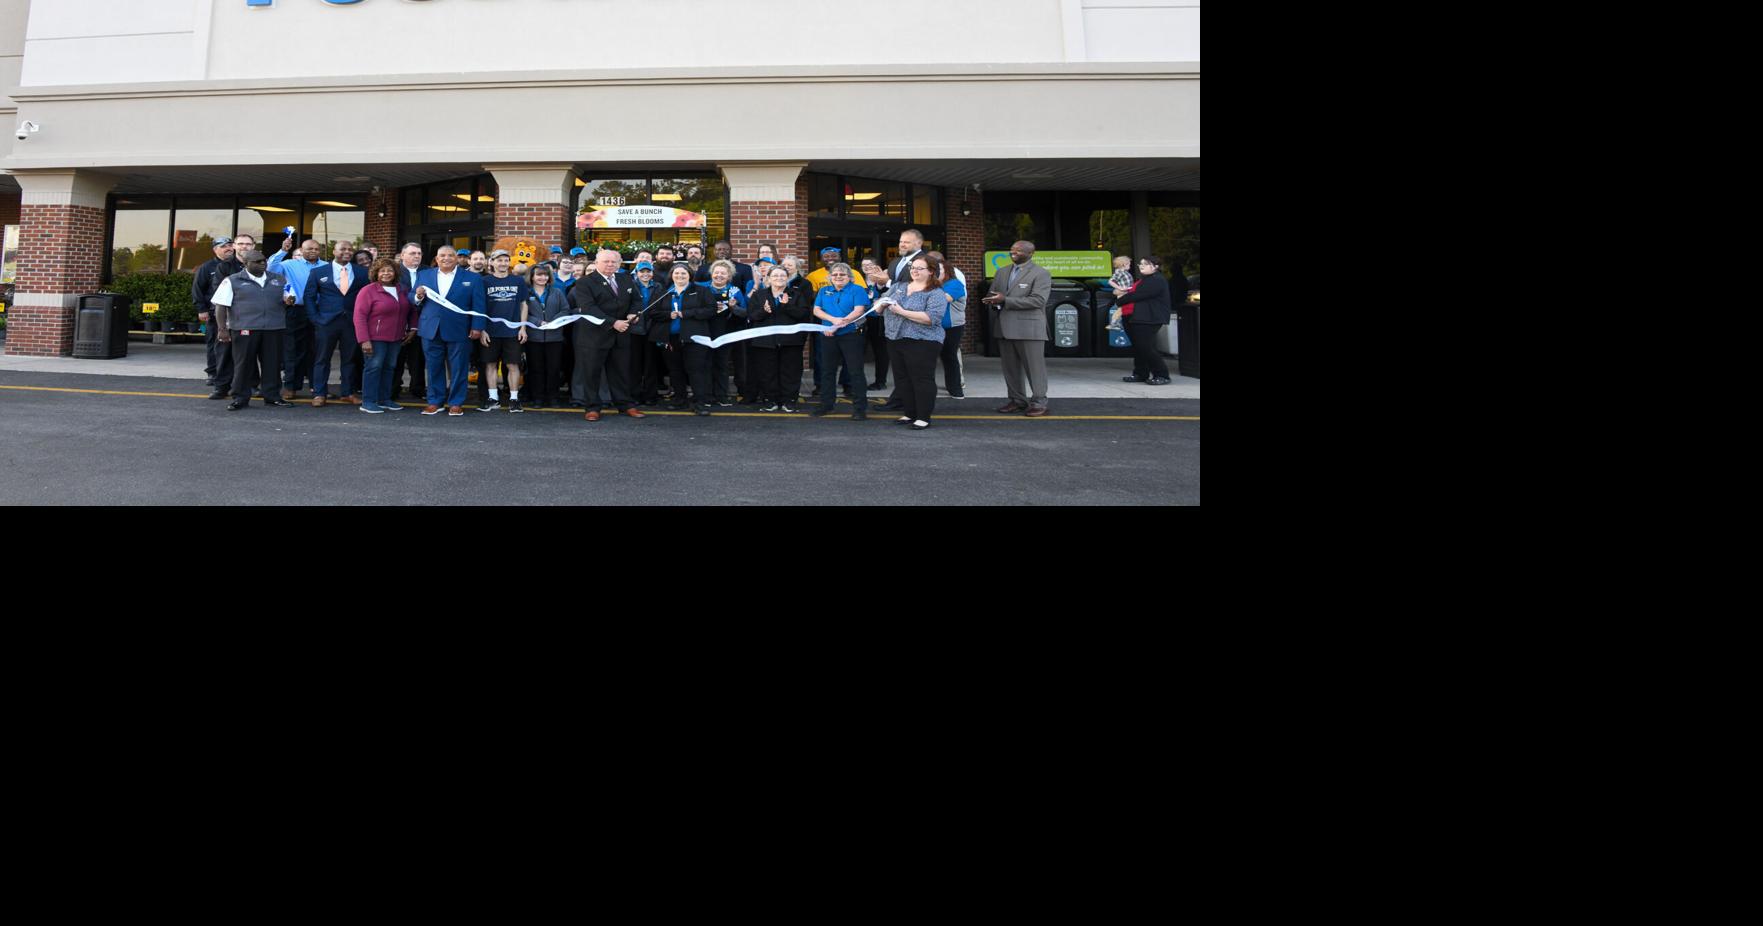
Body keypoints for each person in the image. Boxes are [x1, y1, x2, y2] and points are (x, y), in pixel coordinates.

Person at [212, 249, 297, 411]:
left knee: (272, 364)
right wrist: (222, 329)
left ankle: (272, 396)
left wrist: (290, 300)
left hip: (273, 328)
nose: (263, 263)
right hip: (244, 329)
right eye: (257, 261)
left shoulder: (279, 279)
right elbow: (220, 306)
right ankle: (240, 398)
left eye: (264, 260)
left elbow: (289, 296)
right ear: (246, 264)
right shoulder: (232, 280)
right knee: (243, 364)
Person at [570, 248, 645, 421]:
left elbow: (636, 300)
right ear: (596, 263)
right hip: (594, 336)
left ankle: (625, 405)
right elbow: (589, 308)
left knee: (621, 372)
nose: (610, 264)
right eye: (606, 261)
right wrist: (614, 322)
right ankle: (592, 407)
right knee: (592, 372)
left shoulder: (625, 279)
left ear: (619, 264)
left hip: (622, 335)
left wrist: (632, 314)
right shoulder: (584, 282)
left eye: (614, 262)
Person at [411, 245, 486, 416]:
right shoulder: (424, 275)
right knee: (433, 367)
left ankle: (456, 402)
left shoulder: (472, 278)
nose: (446, 258)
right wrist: (418, 295)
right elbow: (411, 296)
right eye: (442, 256)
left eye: (450, 255)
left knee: (459, 367)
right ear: (436, 259)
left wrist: (477, 326)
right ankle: (435, 401)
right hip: (431, 329)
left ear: (458, 258)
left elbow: (479, 304)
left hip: (460, 329)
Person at [981, 239, 1052, 416]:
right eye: (1012, 249)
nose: (1014, 252)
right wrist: (992, 301)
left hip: (1030, 329)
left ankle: (1039, 402)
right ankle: (1017, 400)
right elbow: (993, 293)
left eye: (1019, 250)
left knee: (1034, 368)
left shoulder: (1040, 273)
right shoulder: (1002, 271)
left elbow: (1038, 300)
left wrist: (1005, 300)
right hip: (1004, 327)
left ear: (1030, 253)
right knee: (1010, 368)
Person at [878, 254, 947, 430]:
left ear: (931, 271)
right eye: (912, 268)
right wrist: (880, 305)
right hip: (895, 338)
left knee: (921, 379)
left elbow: (931, 318)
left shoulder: (936, 293)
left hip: (923, 340)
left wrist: (901, 311)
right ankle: (909, 412)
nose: (914, 271)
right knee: (902, 378)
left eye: (919, 268)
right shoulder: (899, 286)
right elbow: (880, 303)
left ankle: (923, 417)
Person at [640, 262, 716, 415]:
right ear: (671, 276)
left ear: (689, 275)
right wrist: (669, 315)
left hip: (694, 338)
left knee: (696, 371)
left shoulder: (701, 290)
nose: (680, 276)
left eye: (683, 273)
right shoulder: (664, 292)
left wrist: (685, 314)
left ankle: (700, 403)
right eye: (676, 273)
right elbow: (651, 312)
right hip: (670, 339)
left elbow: (711, 310)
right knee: (675, 371)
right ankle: (679, 400)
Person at [303, 239, 366, 406]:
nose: (347, 251)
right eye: (342, 249)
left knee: (349, 359)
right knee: (322, 359)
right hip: (326, 322)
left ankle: (347, 392)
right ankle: (319, 393)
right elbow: (309, 296)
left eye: (350, 249)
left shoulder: (361, 272)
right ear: (334, 252)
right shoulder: (319, 272)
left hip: (351, 322)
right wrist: (315, 318)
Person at [864, 229, 927, 395]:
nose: (902, 244)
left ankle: (912, 403)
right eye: (900, 241)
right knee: (899, 366)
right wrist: (878, 281)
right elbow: (888, 287)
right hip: (892, 320)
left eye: (906, 241)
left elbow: (920, 285)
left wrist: (888, 280)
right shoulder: (895, 262)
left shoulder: (925, 261)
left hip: (912, 320)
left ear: (919, 243)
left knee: (912, 366)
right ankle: (899, 399)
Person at [354, 257, 416, 413]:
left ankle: (384, 399)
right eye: (382, 271)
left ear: (395, 273)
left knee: (389, 368)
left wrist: (413, 329)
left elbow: (411, 310)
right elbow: (359, 316)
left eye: (390, 270)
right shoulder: (368, 291)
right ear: (376, 273)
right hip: (375, 338)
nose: (386, 273)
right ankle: (368, 401)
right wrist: (364, 340)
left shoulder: (402, 289)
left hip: (396, 338)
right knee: (373, 368)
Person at [809, 262, 870, 420]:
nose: (838, 277)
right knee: (827, 371)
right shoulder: (824, 290)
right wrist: (833, 320)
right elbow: (817, 310)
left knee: (855, 371)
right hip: (828, 335)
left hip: (851, 335)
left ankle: (859, 409)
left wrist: (839, 323)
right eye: (835, 274)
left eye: (842, 274)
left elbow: (859, 310)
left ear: (849, 277)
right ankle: (826, 405)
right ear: (830, 277)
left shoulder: (856, 290)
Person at [748, 264, 813, 412]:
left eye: (782, 276)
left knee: (790, 372)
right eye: (775, 275)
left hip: (790, 342)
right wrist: (764, 311)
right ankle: (770, 400)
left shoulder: (796, 294)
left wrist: (787, 306)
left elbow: (803, 314)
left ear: (787, 278)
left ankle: (789, 401)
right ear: (769, 278)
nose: (779, 278)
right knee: (767, 372)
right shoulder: (759, 295)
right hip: (765, 342)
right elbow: (751, 316)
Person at [268, 237, 323, 400]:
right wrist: (283, 251)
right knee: (292, 350)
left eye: (316, 249)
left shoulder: (326, 266)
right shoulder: (290, 264)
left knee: (317, 350)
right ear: (301, 250)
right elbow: (271, 268)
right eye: (309, 249)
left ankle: (317, 387)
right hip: (295, 311)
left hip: (319, 311)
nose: (313, 251)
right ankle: (291, 386)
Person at [478, 249, 530, 412]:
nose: (503, 263)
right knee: (490, 364)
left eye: (506, 260)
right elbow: (479, 307)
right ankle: (493, 398)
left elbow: (524, 305)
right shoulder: (484, 281)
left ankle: (514, 399)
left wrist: (522, 327)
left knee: (514, 365)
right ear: (491, 262)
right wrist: (483, 329)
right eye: (499, 260)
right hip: (491, 331)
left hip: (513, 331)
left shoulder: (518, 281)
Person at [1112, 255, 1174, 385]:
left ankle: (1162, 375)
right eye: (1140, 264)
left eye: (1145, 264)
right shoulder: (1144, 279)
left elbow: (1139, 295)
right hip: (1135, 316)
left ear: (1155, 266)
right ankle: (1140, 373)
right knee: (1139, 347)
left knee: (1146, 347)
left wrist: (1121, 300)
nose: (1141, 266)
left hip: (1149, 318)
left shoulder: (1157, 280)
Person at [193, 235, 241, 399]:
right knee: (215, 344)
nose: (228, 248)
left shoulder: (238, 265)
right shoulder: (207, 267)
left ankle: (235, 378)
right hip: (215, 313)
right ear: (215, 249)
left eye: (229, 245)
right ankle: (213, 373)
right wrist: (202, 309)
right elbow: (198, 289)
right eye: (223, 246)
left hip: (237, 314)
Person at [698, 259, 748, 406]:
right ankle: (706, 395)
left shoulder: (735, 291)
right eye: (716, 272)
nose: (719, 275)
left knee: (722, 364)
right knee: (705, 363)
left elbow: (744, 313)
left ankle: (721, 395)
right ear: (711, 274)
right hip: (705, 330)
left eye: (723, 273)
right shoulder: (701, 288)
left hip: (725, 332)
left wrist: (734, 308)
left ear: (729, 276)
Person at [522, 263, 571, 409]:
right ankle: (537, 398)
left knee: (554, 369)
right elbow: (523, 313)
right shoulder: (527, 293)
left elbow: (566, 309)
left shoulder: (557, 292)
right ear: (531, 276)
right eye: (539, 275)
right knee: (536, 369)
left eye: (545, 275)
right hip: (534, 338)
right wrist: (538, 322)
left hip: (554, 337)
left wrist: (553, 321)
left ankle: (553, 397)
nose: (542, 277)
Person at [926, 250, 968, 398]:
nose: (936, 273)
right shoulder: (930, 285)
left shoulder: (954, 284)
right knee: (928, 358)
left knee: (949, 357)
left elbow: (942, 300)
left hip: (951, 327)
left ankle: (955, 389)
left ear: (947, 271)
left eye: (939, 270)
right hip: (932, 325)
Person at [624, 260, 665, 405]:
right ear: (637, 273)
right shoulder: (630, 286)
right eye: (642, 271)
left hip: (651, 329)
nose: (645, 274)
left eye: (648, 271)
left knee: (651, 364)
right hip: (634, 330)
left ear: (652, 273)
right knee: (634, 365)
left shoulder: (659, 287)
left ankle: (650, 395)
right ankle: (634, 394)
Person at [391, 242, 426, 400]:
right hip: (397, 321)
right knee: (396, 358)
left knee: (418, 359)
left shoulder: (428, 271)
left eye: (419, 253)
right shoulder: (393, 272)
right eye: (412, 253)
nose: (416, 256)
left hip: (422, 321)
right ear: (402, 255)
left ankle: (418, 389)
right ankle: (393, 389)